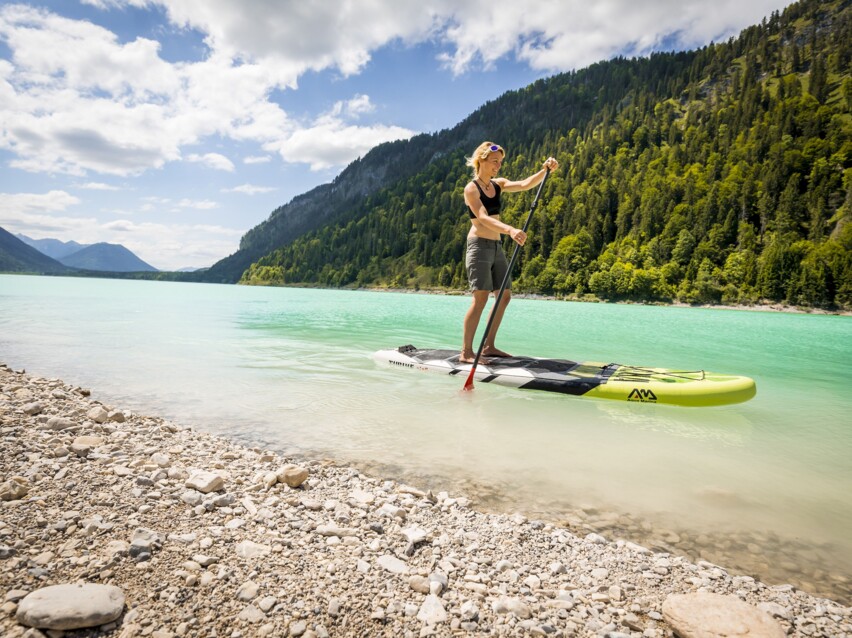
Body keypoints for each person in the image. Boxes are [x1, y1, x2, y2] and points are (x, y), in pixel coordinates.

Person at [460, 142, 559, 364]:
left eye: (500, 162)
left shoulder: (498, 185)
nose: (498, 166)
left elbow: (525, 184)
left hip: (496, 247)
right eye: (495, 162)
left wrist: (545, 170)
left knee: (504, 295)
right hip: (479, 246)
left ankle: (488, 346)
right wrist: (510, 230)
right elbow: (482, 217)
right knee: (480, 298)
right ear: (481, 160)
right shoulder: (471, 188)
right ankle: (466, 352)